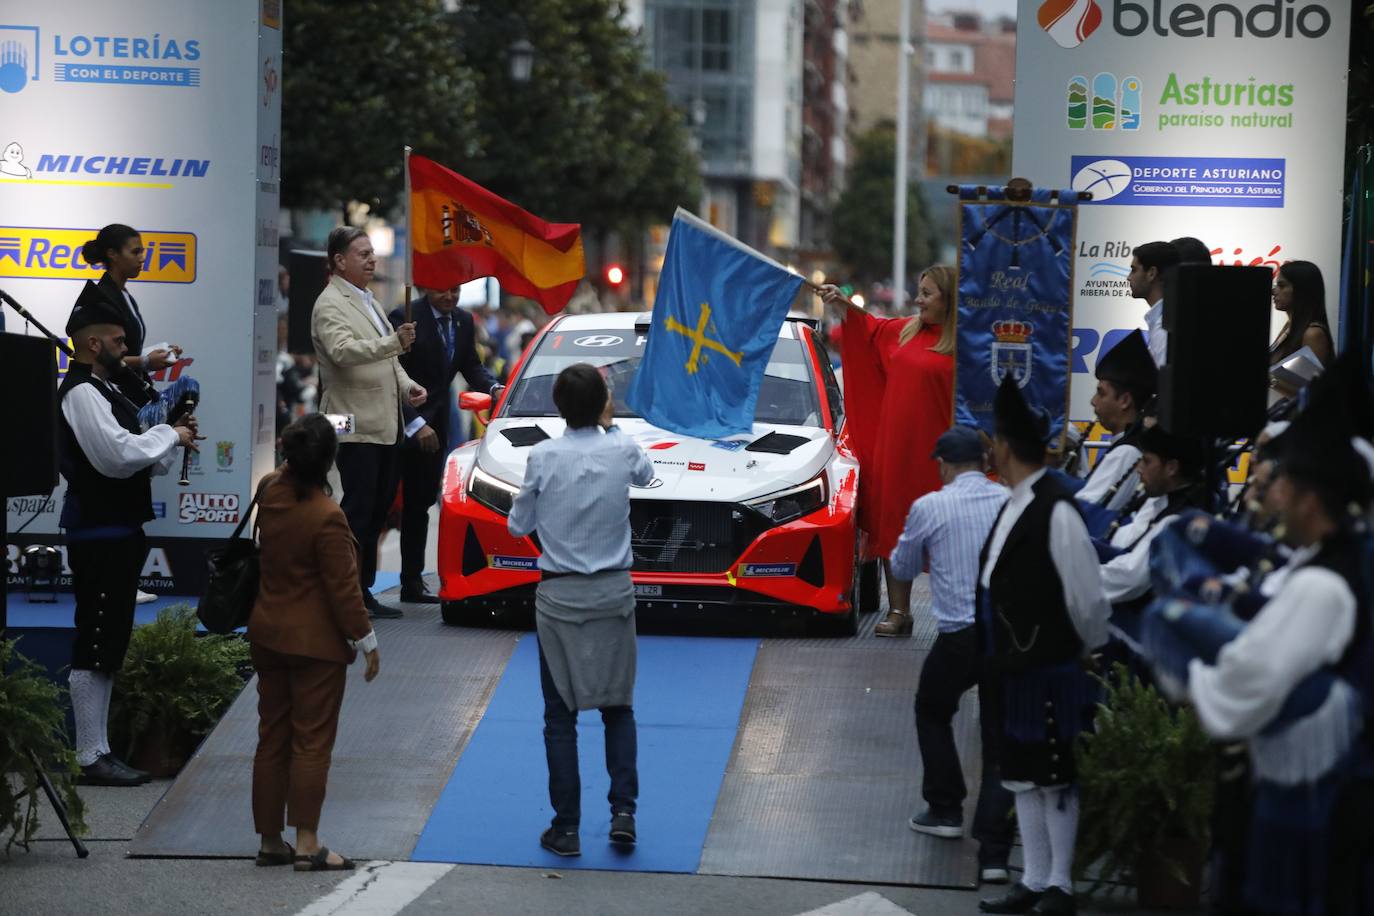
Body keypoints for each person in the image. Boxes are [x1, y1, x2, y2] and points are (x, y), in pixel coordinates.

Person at [507, 364, 654, 857]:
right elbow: (647, 474)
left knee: (559, 717)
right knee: (619, 708)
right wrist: (611, 425)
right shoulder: (622, 446)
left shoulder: (543, 456)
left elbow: (516, 525)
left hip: (559, 597)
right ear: (603, 404)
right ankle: (624, 814)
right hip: (614, 593)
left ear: (557, 404)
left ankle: (566, 828)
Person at [978, 375, 1109, 916]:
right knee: (1021, 774)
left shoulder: (1057, 506)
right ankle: (1032, 879)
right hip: (1013, 663)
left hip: (1052, 662)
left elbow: (1086, 595)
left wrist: (1089, 649)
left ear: (1006, 448)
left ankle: (1061, 885)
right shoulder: (1012, 502)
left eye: (993, 441)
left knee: (1055, 773)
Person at [57, 291, 197, 787]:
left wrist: (172, 434)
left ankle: (100, 749)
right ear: (93, 343)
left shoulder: (109, 388)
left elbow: (144, 456)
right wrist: (168, 437)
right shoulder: (80, 392)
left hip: (120, 530)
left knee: (109, 640)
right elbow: (115, 456)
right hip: (97, 531)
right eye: (118, 341)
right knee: (94, 637)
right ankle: (89, 755)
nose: (126, 349)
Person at [247, 414, 380, 872]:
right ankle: (307, 841)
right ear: (328, 461)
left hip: (267, 634)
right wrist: (368, 642)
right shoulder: (327, 517)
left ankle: (270, 840)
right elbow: (344, 592)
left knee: (272, 739)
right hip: (315, 647)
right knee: (311, 743)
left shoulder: (269, 490)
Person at [889, 425, 1016, 885]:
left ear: (943, 465)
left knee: (932, 709)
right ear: (986, 464)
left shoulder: (930, 505)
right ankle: (997, 850)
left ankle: (945, 809)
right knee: (1000, 736)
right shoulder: (1008, 501)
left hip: (958, 634)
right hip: (1006, 635)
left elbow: (902, 566)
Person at [819, 266, 957, 637]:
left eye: (927, 293)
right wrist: (843, 306)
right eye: (919, 291)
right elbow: (868, 330)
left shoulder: (965, 344)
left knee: (947, 533)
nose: (918, 299)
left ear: (949, 298)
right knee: (894, 523)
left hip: (943, 454)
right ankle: (900, 611)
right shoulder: (906, 330)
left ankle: (954, 614)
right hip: (897, 448)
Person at [310, 226, 427, 619]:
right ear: (339, 261)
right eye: (362, 254)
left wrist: (409, 385)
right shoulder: (330, 303)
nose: (372, 259)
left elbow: (388, 362)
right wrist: (394, 341)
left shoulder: (369, 300)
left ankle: (364, 590)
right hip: (350, 423)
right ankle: (346, 592)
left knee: (376, 513)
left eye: (372, 253)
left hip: (385, 424)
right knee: (356, 511)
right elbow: (344, 353)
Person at [79, 223, 189, 605]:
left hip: (128, 394)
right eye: (135, 251)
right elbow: (97, 355)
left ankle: (126, 576)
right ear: (112, 255)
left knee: (135, 484)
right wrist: (144, 359)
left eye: (144, 251)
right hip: (110, 397)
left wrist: (153, 355)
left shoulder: (125, 296)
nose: (143, 257)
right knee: (119, 482)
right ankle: (116, 580)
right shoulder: (97, 298)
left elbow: (123, 351)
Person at [387, 286, 502, 602]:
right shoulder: (406, 316)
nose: (449, 296)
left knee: (420, 504)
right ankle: (360, 588)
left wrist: (494, 388)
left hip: (437, 427)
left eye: (456, 290)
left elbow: (471, 367)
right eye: (443, 290)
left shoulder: (464, 321)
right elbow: (389, 374)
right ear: (426, 287)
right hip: (398, 423)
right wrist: (414, 421)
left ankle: (412, 582)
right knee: (380, 505)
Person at [1077, 330, 1156, 515]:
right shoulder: (1126, 447)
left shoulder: (1127, 453)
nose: (1093, 401)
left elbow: (1085, 511)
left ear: (1124, 401)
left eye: (1102, 393)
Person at [1268, 259, 1334, 372]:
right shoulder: (1289, 326)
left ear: (1302, 290)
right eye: (1276, 285)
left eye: (1282, 286)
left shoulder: (1312, 334)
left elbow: (1310, 385)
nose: (1274, 291)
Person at [1126, 240, 1180, 368]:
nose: (1128, 277)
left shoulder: (1165, 328)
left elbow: (1164, 385)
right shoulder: (1163, 321)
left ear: (1151, 273)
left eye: (1134, 270)